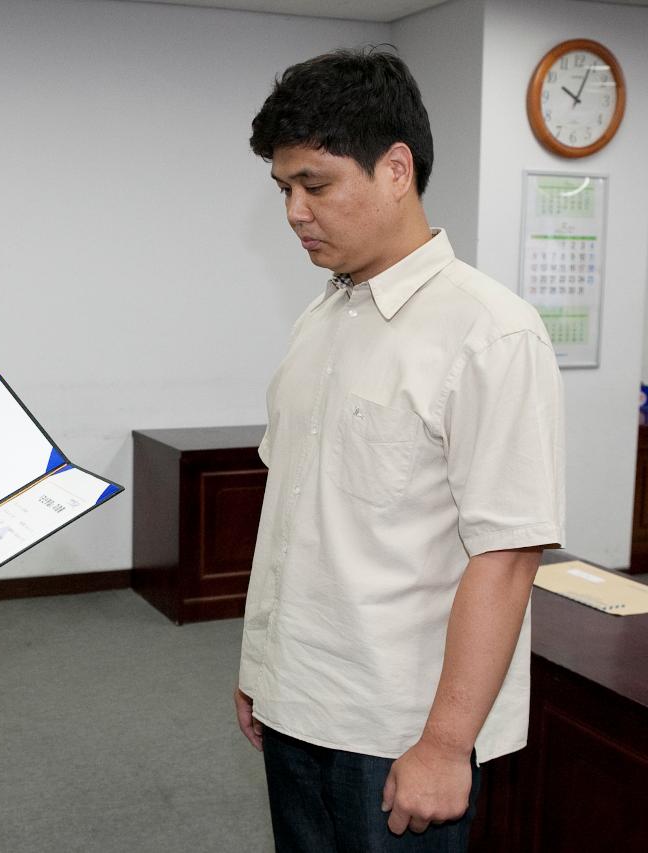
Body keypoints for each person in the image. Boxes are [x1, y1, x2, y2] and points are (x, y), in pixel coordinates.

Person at [235, 49, 564, 852]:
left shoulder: (491, 331)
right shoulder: (320, 320)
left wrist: (447, 745)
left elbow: (507, 554)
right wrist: (259, 665)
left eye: (315, 183)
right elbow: (292, 518)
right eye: (283, 189)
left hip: (398, 732)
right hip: (296, 703)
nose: (294, 212)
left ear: (395, 169)